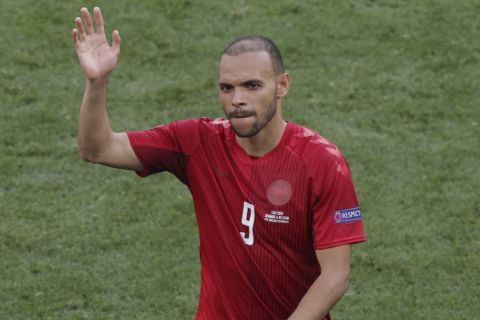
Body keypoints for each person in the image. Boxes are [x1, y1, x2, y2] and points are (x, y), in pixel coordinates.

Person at [72, 6, 366, 320]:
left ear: (282, 85)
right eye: (227, 88)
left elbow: (335, 277)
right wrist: (97, 82)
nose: (237, 99)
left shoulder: (322, 162)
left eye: (252, 86)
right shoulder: (197, 142)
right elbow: (97, 149)